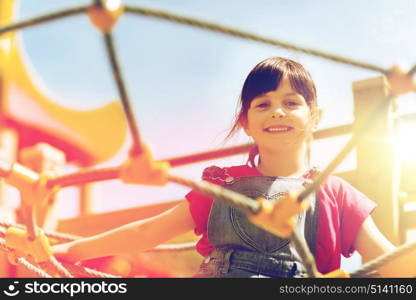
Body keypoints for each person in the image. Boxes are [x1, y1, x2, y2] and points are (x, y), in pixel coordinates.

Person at [52, 57, 416, 277]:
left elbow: (390, 261)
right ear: (245, 120)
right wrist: (69, 251)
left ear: (315, 117)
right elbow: (148, 231)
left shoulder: (336, 194)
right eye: (263, 103)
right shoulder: (223, 186)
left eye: (292, 102)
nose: (277, 111)